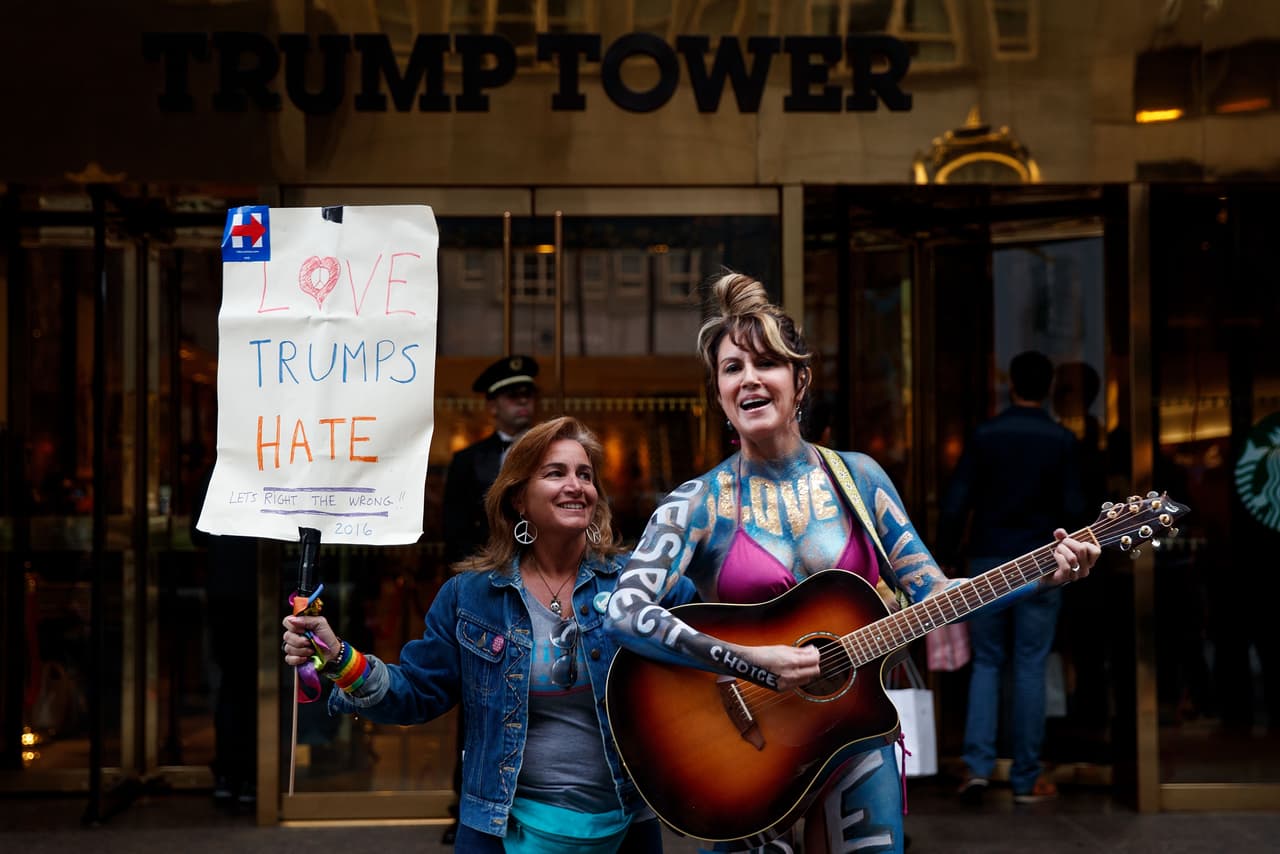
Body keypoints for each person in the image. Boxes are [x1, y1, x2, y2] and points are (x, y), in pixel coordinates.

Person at [605, 274, 1100, 854]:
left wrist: (1044, 572)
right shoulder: (698, 503)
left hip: (855, 741)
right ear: (718, 395)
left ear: (801, 380)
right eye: (731, 368)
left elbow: (934, 596)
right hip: (745, 759)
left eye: (766, 362)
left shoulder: (859, 478)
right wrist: (748, 660)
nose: (748, 379)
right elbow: (624, 611)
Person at [284, 416, 692, 851]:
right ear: (518, 497)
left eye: (585, 475)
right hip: (499, 830)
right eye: (556, 473)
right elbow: (419, 691)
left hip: (625, 829)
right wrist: (340, 659)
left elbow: (714, 641)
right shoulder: (471, 596)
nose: (576, 485)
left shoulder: (640, 584)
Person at [935, 350, 1087, 805]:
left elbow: (957, 501)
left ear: (1012, 386)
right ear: (1048, 388)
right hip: (1044, 562)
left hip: (987, 561)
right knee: (1030, 665)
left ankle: (978, 770)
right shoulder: (1061, 440)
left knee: (986, 662)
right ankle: (1024, 778)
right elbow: (1077, 508)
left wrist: (945, 558)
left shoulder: (986, 435)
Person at [191, 465, 260, 807]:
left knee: (230, 683)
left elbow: (197, 533)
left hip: (223, 590)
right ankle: (251, 775)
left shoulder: (217, 471)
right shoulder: (272, 469)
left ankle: (228, 773)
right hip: (258, 591)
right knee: (253, 685)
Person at [443, 354, 540, 565]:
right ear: (492, 406)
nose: (523, 400)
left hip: (546, 561)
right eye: (513, 395)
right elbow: (455, 527)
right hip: (487, 567)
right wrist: (473, 570)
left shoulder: (552, 451)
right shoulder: (466, 460)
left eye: (528, 393)